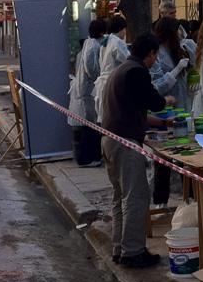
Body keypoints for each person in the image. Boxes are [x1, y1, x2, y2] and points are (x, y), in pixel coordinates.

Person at [101, 33, 169, 268]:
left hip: (110, 140)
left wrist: (161, 123)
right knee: (135, 197)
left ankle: (120, 248)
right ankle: (133, 252)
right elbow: (155, 101)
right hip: (124, 143)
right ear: (149, 54)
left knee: (120, 197)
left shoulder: (122, 70)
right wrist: (167, 102)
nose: (155, 60)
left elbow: (133, 108)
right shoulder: (136, 72)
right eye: (155, 56)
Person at [150, 17, 192, 205]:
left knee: (187, 157)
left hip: (182, 112)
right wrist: (175, 71)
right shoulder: (157, 54)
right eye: (177, 31)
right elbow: (156, 87)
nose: (179, 34)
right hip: (164, 116)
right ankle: (161, 201)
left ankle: (191, 199)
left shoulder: (178, 49)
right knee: (163, 162)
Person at [69, 19, 106, 166]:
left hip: (86, 90)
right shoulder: (94, 47)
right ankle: (87, 158)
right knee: (89, 127)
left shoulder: (89, 44)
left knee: (89, 126)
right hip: (88, 91)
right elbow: (92, 70)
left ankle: (91, 156)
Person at [94, 15, 129, 126]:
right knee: (114, 116)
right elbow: (129, 60)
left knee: (105, 117)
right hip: (114, 83)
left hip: (103, 83)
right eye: (125, 29)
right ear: (122, 28)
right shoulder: (117, 42)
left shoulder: (106, 41)